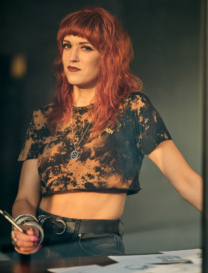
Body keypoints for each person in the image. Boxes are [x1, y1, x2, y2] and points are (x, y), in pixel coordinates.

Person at [11, 6, 202, 258]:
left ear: (108, 56)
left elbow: (187, 183)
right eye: (68, 45)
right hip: (43, 242)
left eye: (86, 47)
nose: (73, 56)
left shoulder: (133, 108)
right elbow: (25, 196)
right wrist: (24, 224)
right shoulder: (43, 119)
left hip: (98, 244)